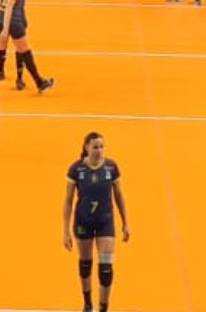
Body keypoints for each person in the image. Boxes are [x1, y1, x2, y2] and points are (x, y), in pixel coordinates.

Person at [62, 132, 130, 312]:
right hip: (83, 221)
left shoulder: (111, 167)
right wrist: (66, 231)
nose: (99, 151)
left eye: (102, 147)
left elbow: (119, 196)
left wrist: (125, 222)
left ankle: (103, 308)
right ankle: (87, 304)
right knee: (85, 264)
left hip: (105, 222)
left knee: (106, 268)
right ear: (86, 148)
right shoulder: (76, 170)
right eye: (95, 147)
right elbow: (68, 201)